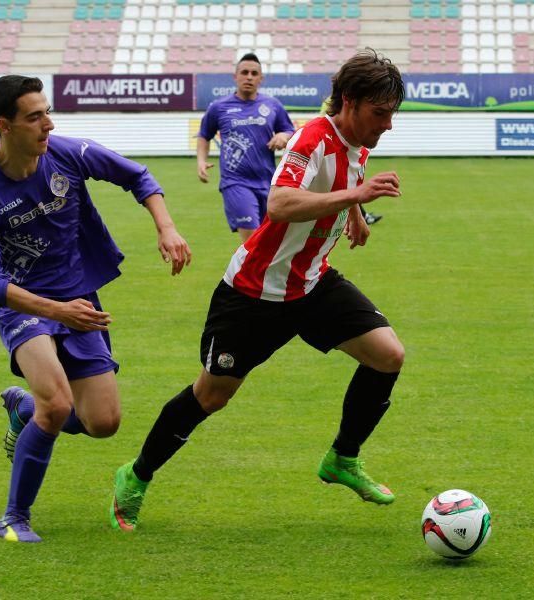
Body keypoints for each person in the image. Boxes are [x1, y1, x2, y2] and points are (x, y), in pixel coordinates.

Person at [110, 50, 406, 531]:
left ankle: (342, 459)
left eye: (393, 114)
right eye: (380, 113)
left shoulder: (356, 141)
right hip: (254, 293)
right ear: (349, 103)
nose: (388, 125)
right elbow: (281, 202)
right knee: (211, 395)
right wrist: (356, 198)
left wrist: (352, 216)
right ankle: (136, 475)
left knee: (388, 355)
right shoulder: (311, 139)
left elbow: (347, 175)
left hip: (310, 283)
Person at [0, 75, 192, 543]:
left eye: (47, 112)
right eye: (35, 116)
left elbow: (138, 176)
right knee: (58, 402)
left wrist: (166, 228)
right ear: (4, 126)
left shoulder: (67, 153)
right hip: (24, 306)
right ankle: (13, 517)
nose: (48, 123)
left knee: (102, 423)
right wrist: (57, 311)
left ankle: (24, 409)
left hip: (77, 299)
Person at [196, 52, 295, 243]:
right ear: (235, 76)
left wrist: (283, 136)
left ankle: (252, 273)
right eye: (244, 72)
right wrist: (201, 161)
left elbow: (289, 129)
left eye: (254, 73)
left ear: (261, 79)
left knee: (272, 242)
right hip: (235, 183)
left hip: (268, 183)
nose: (249, 77)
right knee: (253, 243)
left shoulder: (272, 105)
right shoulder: (219, 107)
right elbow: (204, 135)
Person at [319, 95, 383, 226]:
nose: (388, 126)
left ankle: (362, 216)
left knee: (349, 184)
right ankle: (363, 217)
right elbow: (325, 120)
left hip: (342, 145)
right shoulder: (331, 102)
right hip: (332, 144)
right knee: (343, 186)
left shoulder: (361, 149)